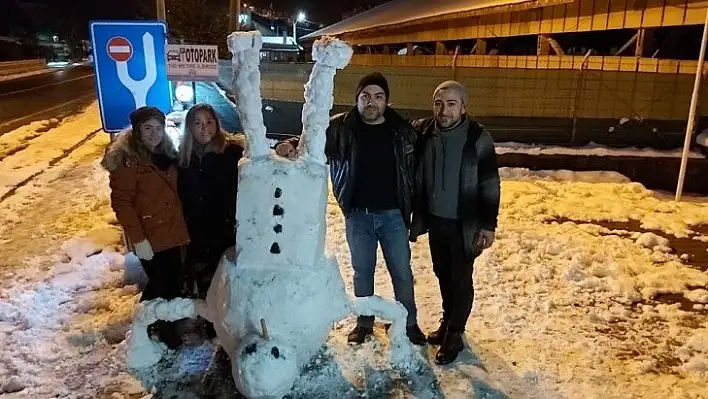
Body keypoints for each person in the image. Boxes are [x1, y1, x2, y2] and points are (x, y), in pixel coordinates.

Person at [275, 73, 426, 345]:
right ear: (357, 99)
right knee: (362, 271)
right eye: (365, 96)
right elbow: (311, 140)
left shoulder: (401, 131)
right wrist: (291, 144)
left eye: (378, 97)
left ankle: (409, 322)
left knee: (402, 272)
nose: (371, 102)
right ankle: (364, 322)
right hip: (358, 216)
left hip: (393, 216)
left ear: (386, 101)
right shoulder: (341, 128)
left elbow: (421, 161)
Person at [410, 81, 501, 365]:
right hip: (436, 220)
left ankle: (455, 334)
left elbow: (490, 184)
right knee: (442, 273)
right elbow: (391, 127)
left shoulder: (477, 138)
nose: (444, 110)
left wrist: (488, 224)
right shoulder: (425, 132)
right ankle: (448, 322)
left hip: (466, 224)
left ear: (463, 107)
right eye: (439, 103)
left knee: (461, 279)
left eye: (451, 104)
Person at [101, 106, 190, 349]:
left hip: (172, 231)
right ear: (137, 130)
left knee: (171, 282)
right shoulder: (128, 161)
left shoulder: (165, 154)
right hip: (151, 236)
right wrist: (138, 239)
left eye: (159, 128)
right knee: (161, 284)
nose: (154, 133)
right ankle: (158, 327)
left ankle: (161, 322)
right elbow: (122, 203)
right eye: (147, 128)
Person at [177, 104, 245, 299]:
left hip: (226, 231)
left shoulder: (232, 152)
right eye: (197, 123)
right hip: (197, 234)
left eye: (209, 122)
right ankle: (210, 325)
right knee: (206, 285)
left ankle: (226, 327)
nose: (204, 128)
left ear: (217, 123)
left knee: (228, 285)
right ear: (189, 127)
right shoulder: (184, 158)